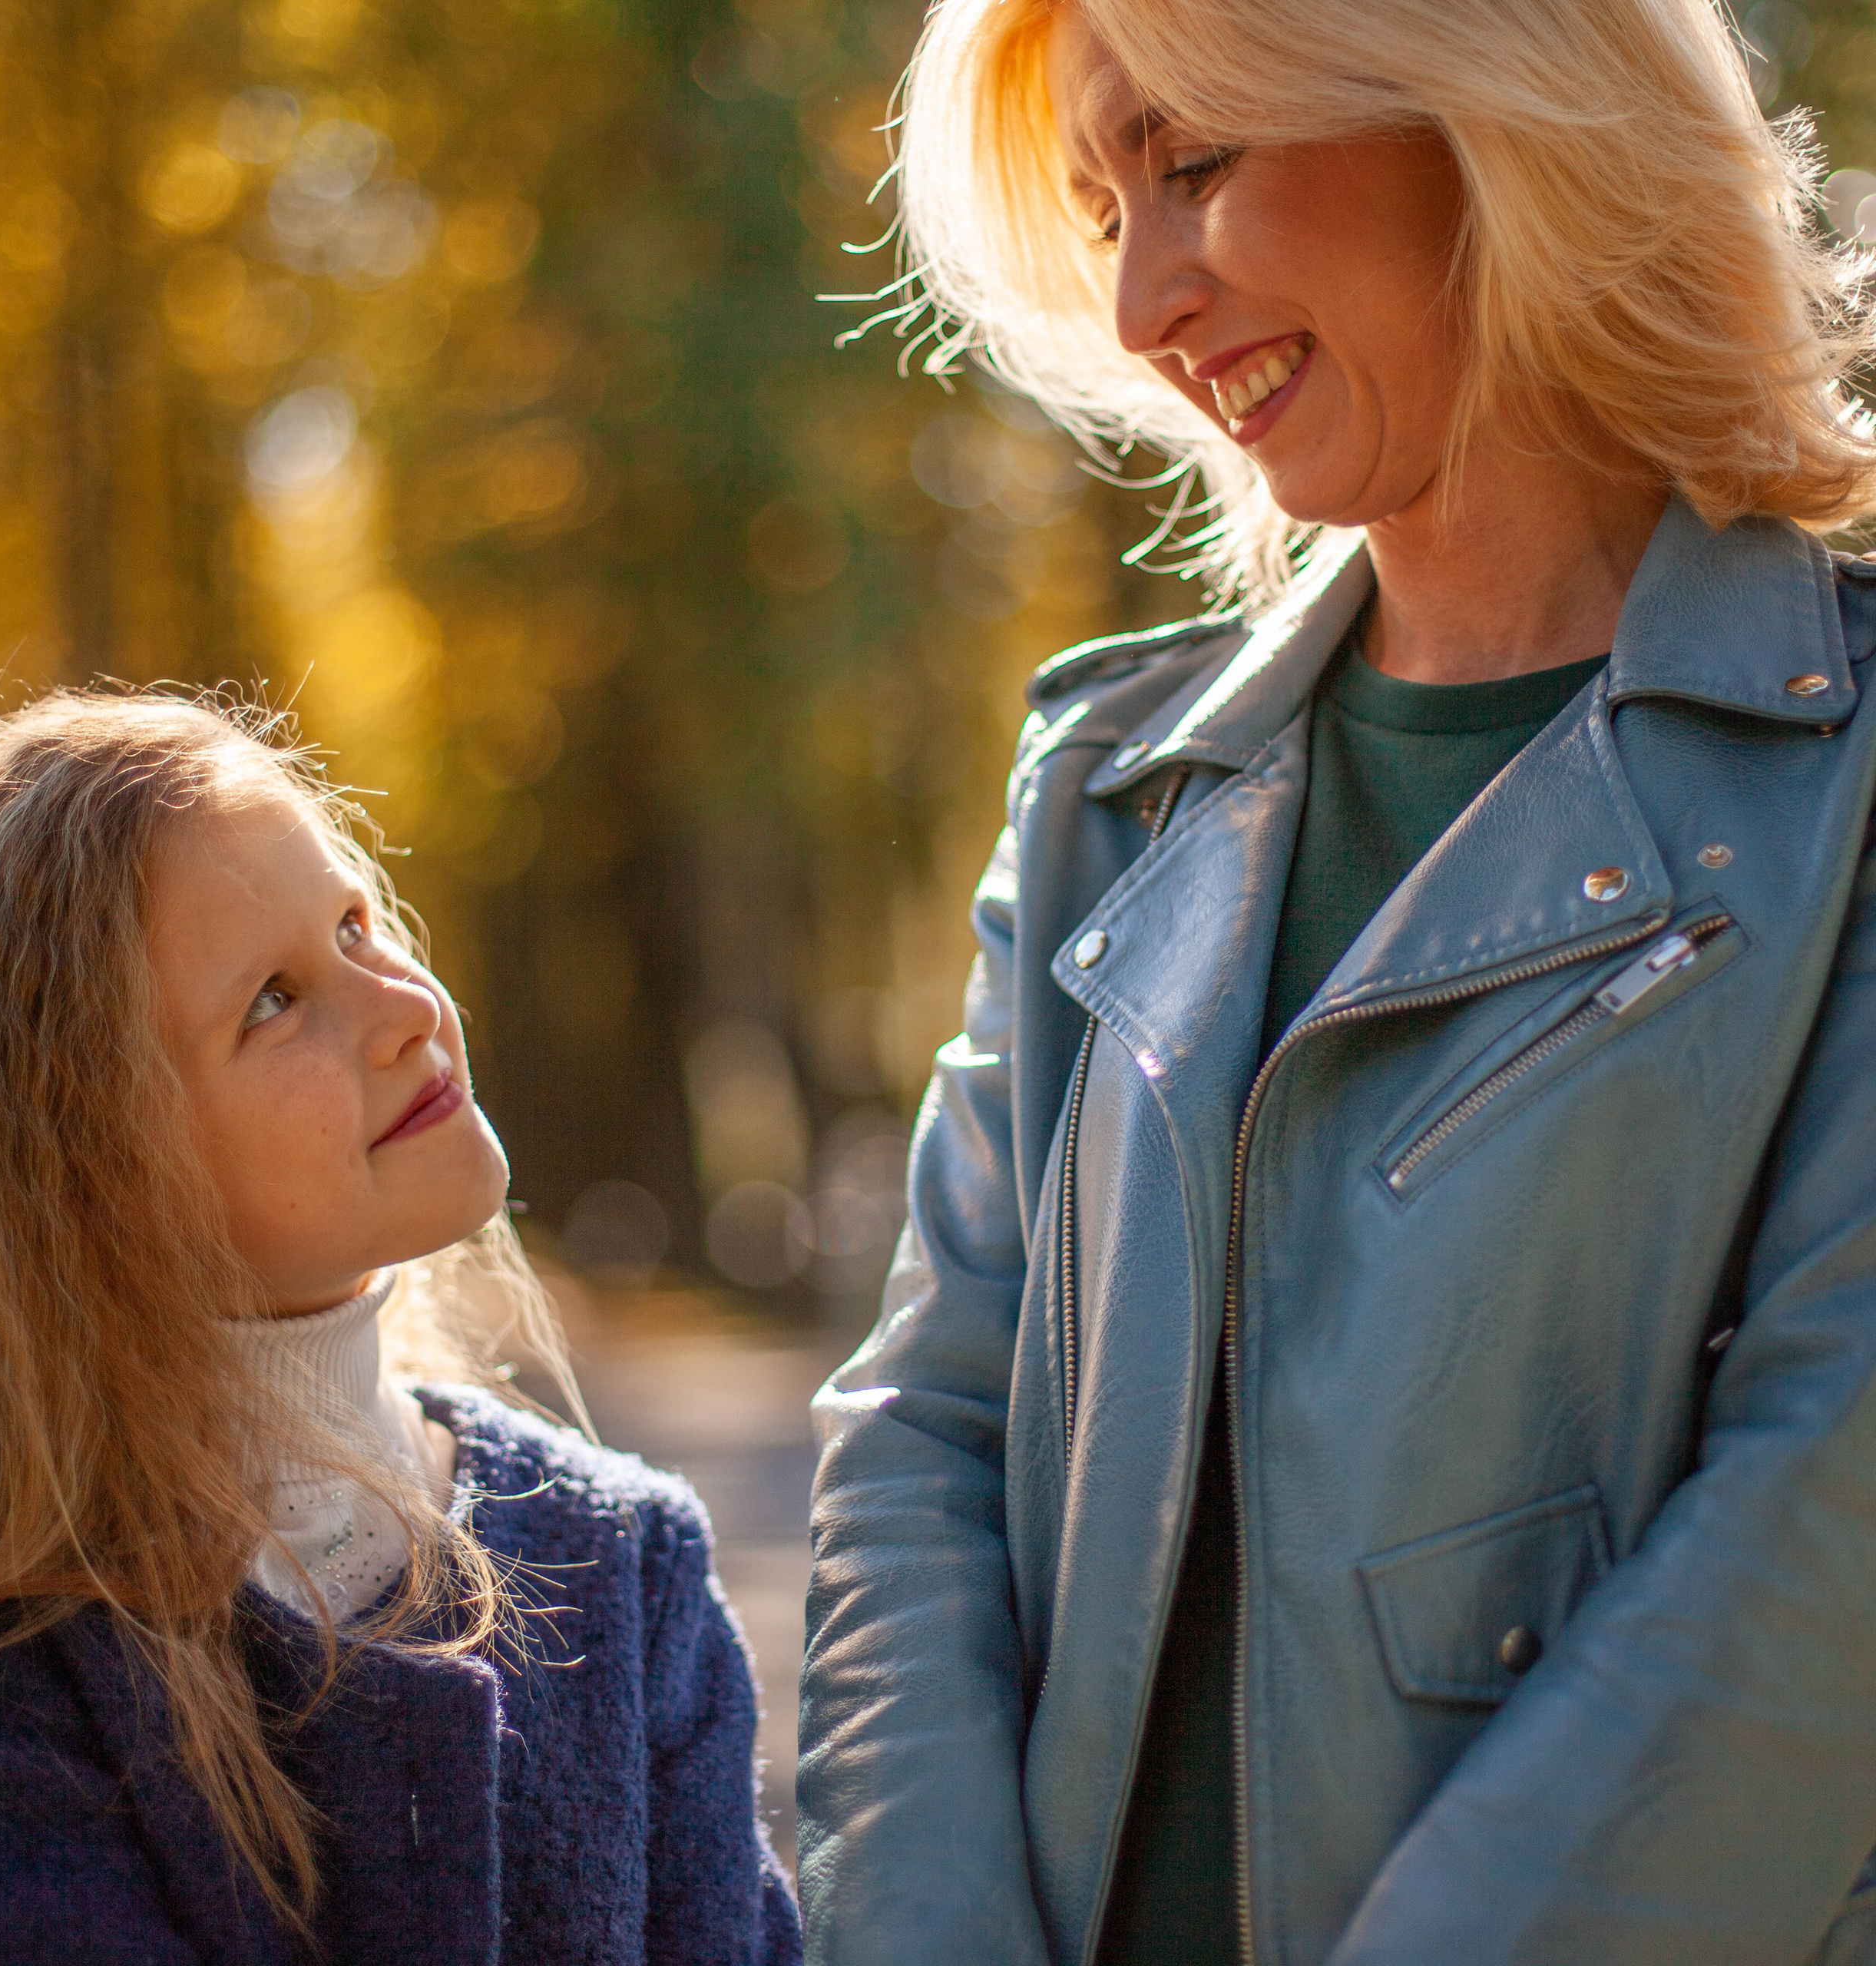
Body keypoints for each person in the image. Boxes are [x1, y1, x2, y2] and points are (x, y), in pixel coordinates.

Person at [797, 0, 1876, 1961]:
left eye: (1194, 164)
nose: (1137, 307)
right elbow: (924, 1439)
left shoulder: (1850, 772)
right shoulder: (1103, 801)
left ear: (1493, 116)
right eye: (1098, 206)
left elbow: (1831, 1515)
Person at [0, 691, 801, 1966]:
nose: (404, 1010)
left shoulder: (620, 1557)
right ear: (77, 1177)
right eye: (270, 1001)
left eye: (353, 924)